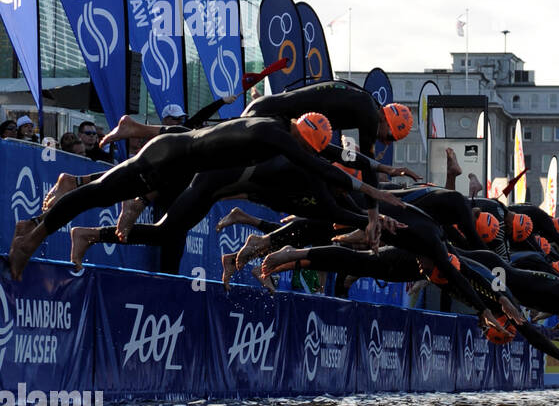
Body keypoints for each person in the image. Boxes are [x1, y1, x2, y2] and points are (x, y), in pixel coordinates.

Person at [8, 112, 401, 280]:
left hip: (177, 157)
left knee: (103, 194)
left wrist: (375, 171)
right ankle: (33, 238)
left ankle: (32, 228)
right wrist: (369, 193)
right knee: (98, 195)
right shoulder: (274, 135)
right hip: (170, 157)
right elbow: (319, 165)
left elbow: (325, 156)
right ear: (300, 136)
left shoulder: (281, 129)